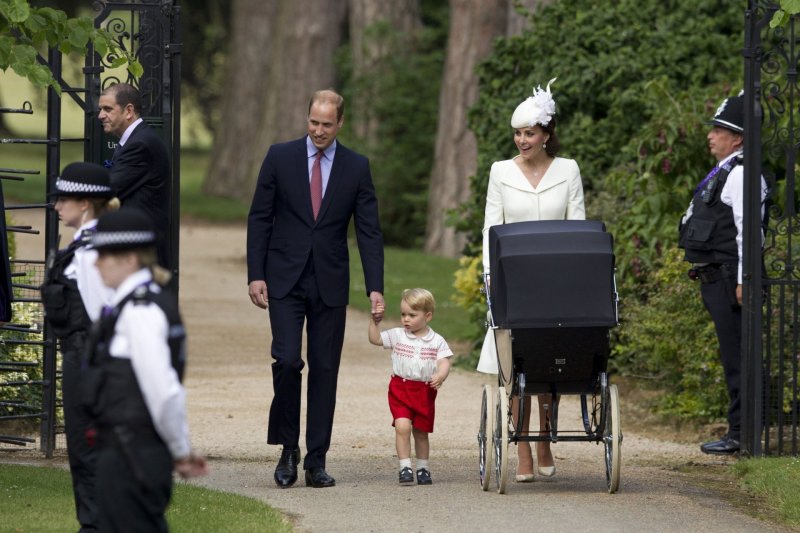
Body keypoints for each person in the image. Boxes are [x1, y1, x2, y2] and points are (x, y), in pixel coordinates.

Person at [247, 89, 385, 489]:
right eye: (313, 122)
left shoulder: (356, 167)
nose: (319, 131)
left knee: (325, 370)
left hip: (330, 281)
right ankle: (288, 448)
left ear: (340, 123)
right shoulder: (280, 157)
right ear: (306, 118)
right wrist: (256, 273)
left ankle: (316, 460)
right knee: (288, 361)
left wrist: (375, 286)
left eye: (327, 124)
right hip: (284, 278)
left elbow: (369, 232)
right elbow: (260, 217)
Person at [476, 79, 586, 481]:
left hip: (558, 280)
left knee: (549, 367)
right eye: (518, 133)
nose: (522, 140)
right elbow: (492, 226)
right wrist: (490, 276)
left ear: (546, 134)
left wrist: (579, 277)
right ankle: (521, 445)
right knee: (517, 366)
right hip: (515, 280)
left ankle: (544, 439)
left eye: (529, 133)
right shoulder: (500, 171)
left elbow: (578, 224)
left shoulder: (568, 170)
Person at [83, 209, 207, 530]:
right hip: (128, 449)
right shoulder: (135, 303)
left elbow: (162, 391)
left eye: (105, 255)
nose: (96, 263)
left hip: (131, 453)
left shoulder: (140, 311)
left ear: (130, 259)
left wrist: (181, 450)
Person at [679, 91, 767, 455]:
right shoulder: (728, 170)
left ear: (739, 138)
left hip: (731, 278)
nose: (711, 136)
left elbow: (750, 232)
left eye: (720, 129)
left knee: (738, 357)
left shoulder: (743, 173)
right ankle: (740, 431)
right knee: (732, 355)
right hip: (718, 276)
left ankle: (743, 435)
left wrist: (746, 279)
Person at [40, 162, 118, 531]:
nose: (56, 206)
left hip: (89, 361)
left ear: (84, 202)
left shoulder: (91, 253)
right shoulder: (92, 243)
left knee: (87, 452)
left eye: (63, 198)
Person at [368, 289, 453, 485]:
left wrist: (441, 375)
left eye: (412, 315)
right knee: (402, 426)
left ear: (428, 316)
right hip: (401, 388)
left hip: (424, 391)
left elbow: (444, 362)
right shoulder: (399, 335)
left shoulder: (436, 340)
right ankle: (405, 466)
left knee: (421, 432)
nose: (406, 319)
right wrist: (375, 322)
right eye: (403, 314)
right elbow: (375, 339)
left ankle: (423, 468)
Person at [98, 82, 172, 269]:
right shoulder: (137, 139)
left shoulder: (140, 144)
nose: (100, 115)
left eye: (107, 109)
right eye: (100, 109)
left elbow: (110, 188)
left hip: (141, 249)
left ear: (128, 111)